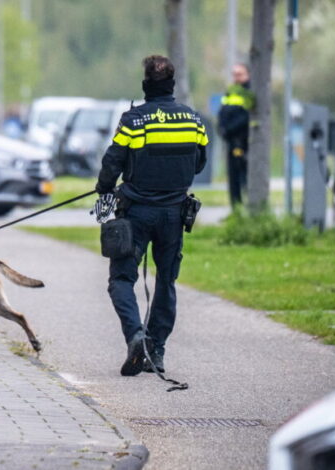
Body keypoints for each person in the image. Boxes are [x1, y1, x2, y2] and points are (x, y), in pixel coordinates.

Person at [95, 55, 208, 376]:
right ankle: (155, 351)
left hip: (136, 214)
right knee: (166, 282)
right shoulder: (193, 120)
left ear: (146, 85)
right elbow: (199, 163)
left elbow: (112, 161)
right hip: (174, 214)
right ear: (171, 84)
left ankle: (135, 336)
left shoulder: (134, 119)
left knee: (121, 278)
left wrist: (104, 188)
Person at [217, 63, 255, 206]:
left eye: (240, 74)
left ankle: (251, 209)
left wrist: (228, 129)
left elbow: (246, 116)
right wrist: (221, 128)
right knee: (233, 178)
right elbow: (222, 111)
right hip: (231, 141)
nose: (236, 78)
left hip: (245, 141)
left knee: (245, 176)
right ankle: (236, 209)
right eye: (234, 74)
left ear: (248, 75)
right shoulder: (231, 91)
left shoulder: (250, 90)